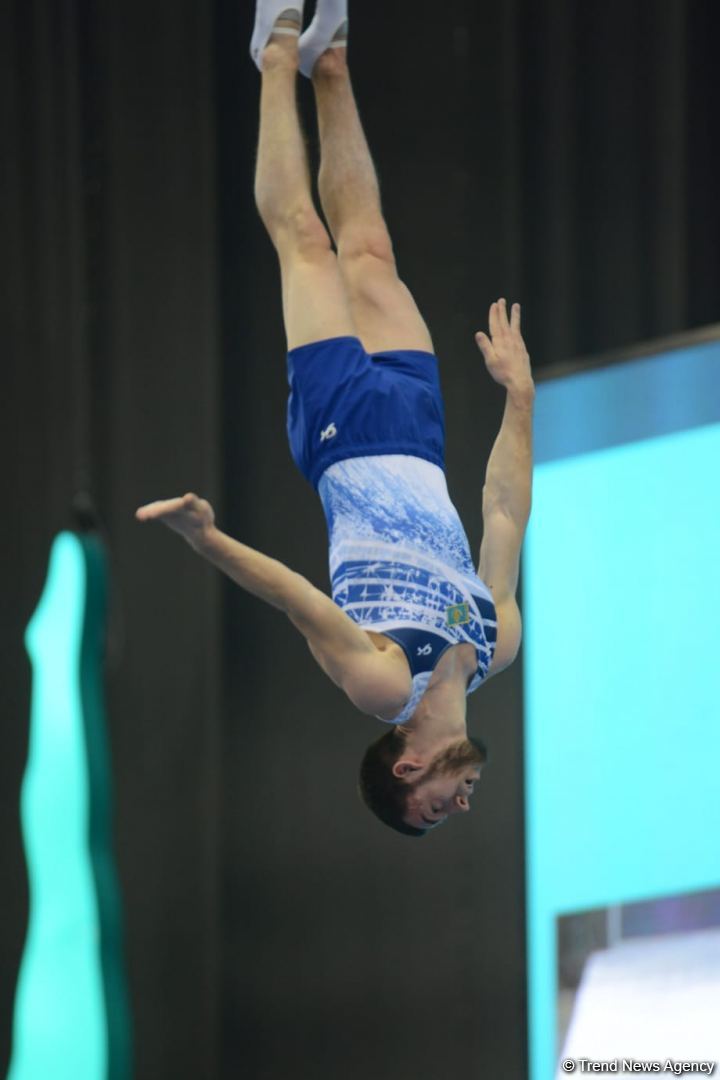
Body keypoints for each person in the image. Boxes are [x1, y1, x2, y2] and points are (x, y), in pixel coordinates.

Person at [136, 0, 534, 836]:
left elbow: (296, 599)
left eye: (430, 812)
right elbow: (502, 509)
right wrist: (518, 400)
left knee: (306, 245)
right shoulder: (497, 644)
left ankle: (277, 52)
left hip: (341, 434)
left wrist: (205, 537)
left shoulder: (385, 683)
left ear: (407, 765)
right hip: (418, 428)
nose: (456, 809)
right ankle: (334, 65)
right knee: (371, 247)